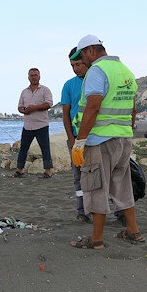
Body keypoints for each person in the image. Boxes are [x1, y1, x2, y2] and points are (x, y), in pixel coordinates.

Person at [68, 35, 144, 249]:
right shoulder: (125, 71)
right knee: (122, 185)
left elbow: (93, 106)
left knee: (95, 185)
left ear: (91, 50)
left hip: (100, 140)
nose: (83, 60)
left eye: (83, 55)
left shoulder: (96, 71)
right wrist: (126, 131)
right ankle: (133, 231)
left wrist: (80, 141)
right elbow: (132, 109)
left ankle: (96, 239)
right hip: (123, 137)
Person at [61, 47, 90, 222]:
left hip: (94, 138)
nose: (76, 68)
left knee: (102, 177)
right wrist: (71, 139)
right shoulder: (69, 85)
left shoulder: (96, 80)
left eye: (78, 64)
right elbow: (66, 114)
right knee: (78, 177)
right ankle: (82, 211)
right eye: (72, 65)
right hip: (76, 139)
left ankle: (118, 212)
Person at [11, 68, 54, 179]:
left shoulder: (45, 90)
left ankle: (48, 171)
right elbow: (19, 107)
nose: (33, 77)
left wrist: (34, 108)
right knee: (23, 148)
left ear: (39, 76)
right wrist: (23, 110)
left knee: (45, 148)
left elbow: (49, 104)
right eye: (31, 75)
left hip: (42, 125)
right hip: (28, 125)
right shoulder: (24, 92)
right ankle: (20, 170)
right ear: (28, 77)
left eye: (35, 75)